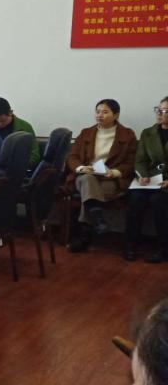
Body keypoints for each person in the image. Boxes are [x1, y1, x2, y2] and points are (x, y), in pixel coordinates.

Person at [67, 99, 138, 252]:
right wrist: (81, 168)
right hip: (85, 176)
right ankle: (97, 219)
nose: (100, 115)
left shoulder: (128, 135)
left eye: (105, 112)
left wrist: (114, 172)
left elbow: (131, 162)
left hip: (110, 179)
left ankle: (86, 235)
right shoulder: (86, 133)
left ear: (116, 115)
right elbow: (72, 157)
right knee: (87, 180)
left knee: (89, 196)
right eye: (98, 111)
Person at [124, 97, 168, 262]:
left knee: (159, 201)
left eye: (165, 111)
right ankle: (131, 246)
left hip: (166, 183)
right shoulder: (148, 133)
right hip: (151, 179)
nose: (160, 114)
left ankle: (163, 248)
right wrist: (142, 175)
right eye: (158, 109)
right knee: (135, 199)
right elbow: (140, 160)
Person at [0, 96, 41, 168]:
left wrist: (19, 166)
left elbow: (34, 155)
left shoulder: (24, 127)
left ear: (10, 112)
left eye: (2, 121)